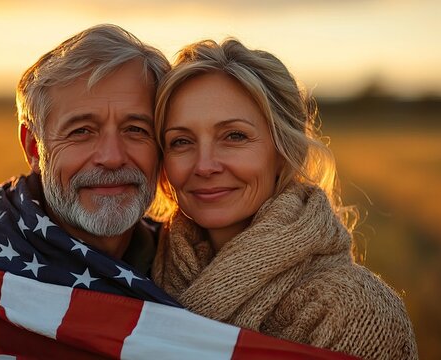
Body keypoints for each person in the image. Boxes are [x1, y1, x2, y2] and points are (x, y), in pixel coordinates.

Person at [0, 25, 359, 360]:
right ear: (33, 146)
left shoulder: (173, 268)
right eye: (81, 131)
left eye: (136, 129)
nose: (110, 156)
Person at [151, 39, 419, 359]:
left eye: (234, 136)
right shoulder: (138, 272)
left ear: (283, 151)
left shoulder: (356, 313)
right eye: (181, 141)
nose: (205, 165)